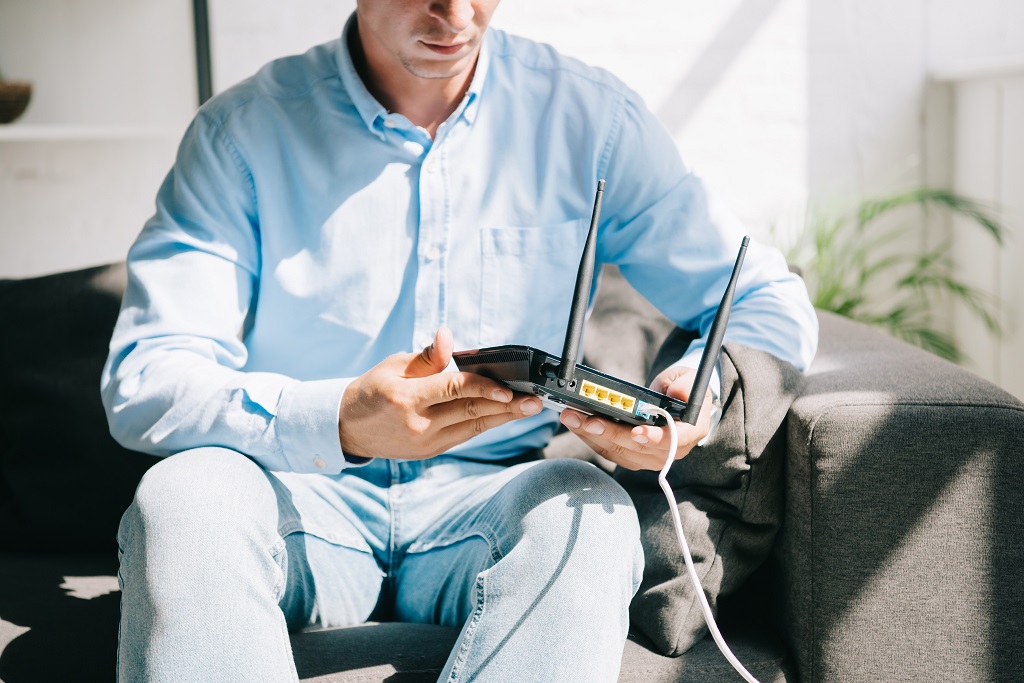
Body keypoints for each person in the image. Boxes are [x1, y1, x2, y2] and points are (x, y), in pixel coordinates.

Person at [101, 1, 818, 681]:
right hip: (297, 497)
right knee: (185, 496)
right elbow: (146, 375)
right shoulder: (243, 134)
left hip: (490, 501)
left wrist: (691, 396)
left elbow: (767, 299)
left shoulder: (589, 122)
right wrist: (343, 416)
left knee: (589, 515)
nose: (457, 12)